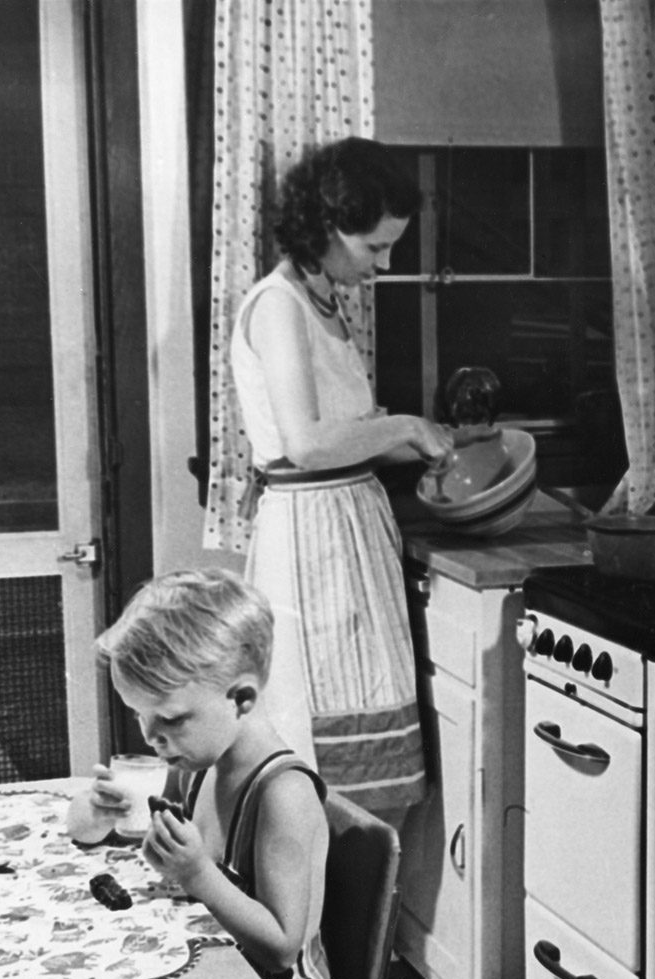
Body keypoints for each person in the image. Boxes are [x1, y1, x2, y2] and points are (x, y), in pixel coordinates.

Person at [231, 135, 460, 832]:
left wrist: (417, 439)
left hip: (347, 534)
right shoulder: (278, 306)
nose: (385, 264)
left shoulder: (322, 300)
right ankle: (305, 938)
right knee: (318, 769)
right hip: (312, 546)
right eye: (374, 248)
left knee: (361, 788)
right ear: (327, 227)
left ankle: (346, 933)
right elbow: (304, 444)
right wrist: (404, 429)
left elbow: (340, 436)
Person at [84, 568, 331, 979]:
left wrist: (197, 873)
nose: (151, 737)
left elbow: (282, 950)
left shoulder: (282, 793)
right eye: (138, 716)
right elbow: (150, 845)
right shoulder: (198, 757)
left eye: (168, 718)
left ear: (241, 699)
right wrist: (110, 813)